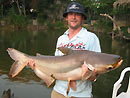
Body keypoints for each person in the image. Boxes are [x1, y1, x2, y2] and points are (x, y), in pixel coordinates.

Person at [51, 2, 101, 98]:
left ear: (82, 18)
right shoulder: (61, 39)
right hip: (58, 92)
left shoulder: (91, 38)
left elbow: (95, 75)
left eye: (77, 14)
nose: (73, 17)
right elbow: (55, 65)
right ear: (67, 17)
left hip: (81, 95)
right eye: (70, 14)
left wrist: (90, 75)